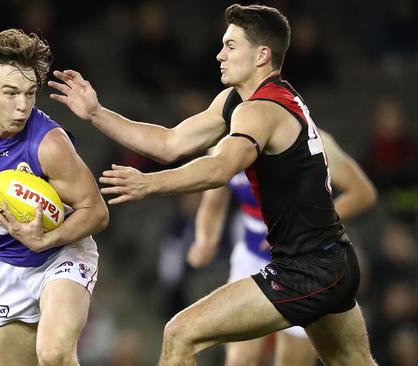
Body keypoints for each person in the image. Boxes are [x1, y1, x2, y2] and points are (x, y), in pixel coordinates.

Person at [49, 4, 378, 365]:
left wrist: (148, 184)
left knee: (180, 333)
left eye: (231, 46)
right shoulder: (240, 101)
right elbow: (170, 143)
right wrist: (97, 113)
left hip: (308, 269)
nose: (220, 54)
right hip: (329, 261)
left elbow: (221, 168)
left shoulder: (262, 110)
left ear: (262, 55)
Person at [0, 29, 109, 366]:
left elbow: (97, 213)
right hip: (6, 265)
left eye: (30, 93)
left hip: (62, 254)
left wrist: (47, 239)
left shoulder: (50, 145)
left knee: (54, 354)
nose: (23, 105)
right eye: (10, 93)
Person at [186, 130, 377, 366]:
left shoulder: (310, 138)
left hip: (304, 262)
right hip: (253, 258)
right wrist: (205, 240)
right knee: (239, 361)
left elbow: (362, 193)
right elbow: (213, 203)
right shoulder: (223, 147)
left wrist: (303, 224)